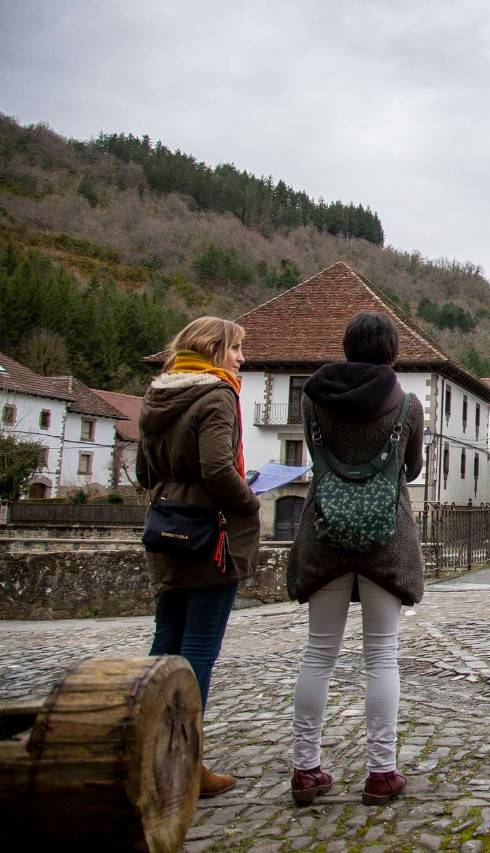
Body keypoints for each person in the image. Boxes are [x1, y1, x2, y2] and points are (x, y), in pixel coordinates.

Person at [288, 312, 425, 806]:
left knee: (318, 654)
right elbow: (409, 469)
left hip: (324, 534)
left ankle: (306, 769)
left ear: (346, 347)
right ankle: (381, 771)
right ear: (391, 352)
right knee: (381, 655)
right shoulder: (407, 405)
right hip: (384, 541)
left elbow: (319, 455)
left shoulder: (311, 399)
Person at [137, 316, 260, 798]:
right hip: (208, 532)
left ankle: (145, 747)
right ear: (212, 349)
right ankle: (184, 762)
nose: (241, 359)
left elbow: (147, 471)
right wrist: (248, 501)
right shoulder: (217, 394)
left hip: (166, 525)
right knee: (199, 650)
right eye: (235, 349)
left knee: (166, 639)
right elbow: (216, 466)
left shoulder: (158, 394)